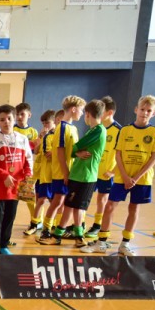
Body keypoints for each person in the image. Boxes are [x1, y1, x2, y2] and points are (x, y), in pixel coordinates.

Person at [82, 95, 155, 256]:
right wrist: (124, 176)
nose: (145, 113)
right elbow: (118, 154)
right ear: (136, 110)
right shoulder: (125, 130)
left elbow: (154, 158)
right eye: (142, 109)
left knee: (134, 208)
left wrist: (136, 178)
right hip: (122, 177)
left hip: (142, 179)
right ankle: (101, 242)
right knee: (110, 206)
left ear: (153, 113)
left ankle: (125, 244)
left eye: (149, 110)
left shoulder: (154, 132)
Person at [39, 100, 106, 248]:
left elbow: (75, 148)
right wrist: (67, 169)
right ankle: (52, 232)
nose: (82, 114)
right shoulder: (76, 129)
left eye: (84, 112)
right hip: (72, 174)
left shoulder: (96, 130)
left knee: (74, 206)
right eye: (81, 110)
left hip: (83, 175)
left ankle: (74, 236)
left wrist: (76, 152)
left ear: (88, 114)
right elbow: (71, 150)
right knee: (65, 204)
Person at [0, 104, 33, 258]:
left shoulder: (22, 139)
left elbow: (28, 160)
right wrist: (4, 175)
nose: (6, 122)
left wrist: (28, 174)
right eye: (2, 119)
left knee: (10, 216)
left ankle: (4, 245)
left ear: (15, 118)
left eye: (9, 118)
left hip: (16, 185)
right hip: (0, 184)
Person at [37, 96, 84, 244]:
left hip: (72, 172)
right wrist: (65, 173)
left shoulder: (73, 128)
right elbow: (60, 152)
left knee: (65, 203)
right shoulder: (61, 127)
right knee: (57, 201)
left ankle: (60, 229)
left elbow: (72, 150)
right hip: (62, 172)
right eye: (81, 110)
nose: (82, 113)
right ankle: (46, 230)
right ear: (73, 109)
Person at [84, 96, 121, 239]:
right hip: (92, 170)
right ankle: (80, 224)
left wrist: (113, 171)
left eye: (102, 110)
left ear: (110, 112)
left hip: (106, 173)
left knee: (102, 200)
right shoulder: (96, 128)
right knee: (85, 198)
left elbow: (122, 154)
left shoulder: (119, 130)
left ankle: (97, 225)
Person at [24, 110, 56, 236]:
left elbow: (50, 154)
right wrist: (40, 139)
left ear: (54, 121)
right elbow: (36, 151)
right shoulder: (43, 135)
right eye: (43, 123)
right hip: (39, 173)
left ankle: (50, 224)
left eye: (47, 123)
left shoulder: (55, 136)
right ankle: (35, 224)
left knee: (51, 200)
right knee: (38, 199)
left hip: (51, 174)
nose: (45, 126)